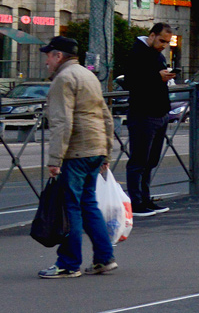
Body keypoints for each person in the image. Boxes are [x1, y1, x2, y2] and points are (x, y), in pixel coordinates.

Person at [37, 36, 116, 279]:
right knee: (88, 204)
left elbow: (62, 122)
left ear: (58, 56)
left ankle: (68, 264)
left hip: (76, 151)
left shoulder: (63, 78)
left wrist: (55, 159)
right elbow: (105, 115)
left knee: (70, 206)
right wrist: (106, 150)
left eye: (48, 55)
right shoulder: (88, 75)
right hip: (95, 148)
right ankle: (104, 258)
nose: (46, 61)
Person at [122, 22, 174, 217]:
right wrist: (156, 77)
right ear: (152, 36)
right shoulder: (137, 53)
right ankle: (136, 203)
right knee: (139, 160)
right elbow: (131, 81)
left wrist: (163, 77)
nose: (164, 45)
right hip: (143, 113)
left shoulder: (157, 55)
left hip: (159, 112)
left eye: (167, 42)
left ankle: (145, 198)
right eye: (161, 40)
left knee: (150, 160)